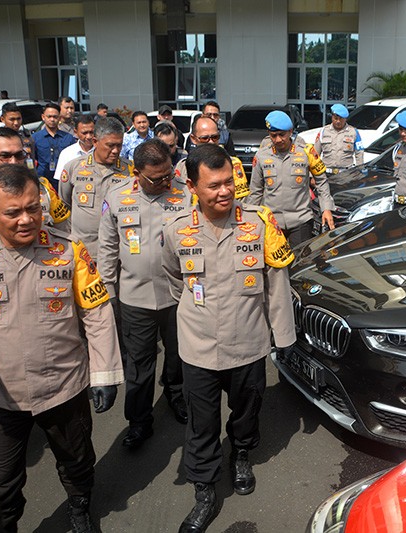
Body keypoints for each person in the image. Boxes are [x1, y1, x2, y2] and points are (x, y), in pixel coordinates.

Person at [0, 163, 123, 533]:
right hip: (2, 394)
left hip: (64, 387)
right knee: (2, 480)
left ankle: (79, 506)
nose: (26, 219)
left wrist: (104, 374)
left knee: (77, 461)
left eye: (33, 208)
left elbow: (98, 314)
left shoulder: (69, 250)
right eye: (13, 212)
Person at [161, 144, 296, 533]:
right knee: (201, 425)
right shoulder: (175, 230)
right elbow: (175, 280)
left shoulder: (260, 223)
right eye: (213, 185)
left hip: (249, 342)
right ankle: (204, 491)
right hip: (198, 347)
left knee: (246, 410)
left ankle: (240, 454)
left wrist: (283, 338)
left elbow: (276, 283)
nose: (224, 192)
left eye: (228, 184)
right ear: (192, 187)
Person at [99, 139, 189, 450]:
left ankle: (176, 395)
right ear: (137, 173)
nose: (166, 181)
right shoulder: (116, 196)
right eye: (157, 177)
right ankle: (139, 421)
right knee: (139, 363)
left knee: (178, 355)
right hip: (134, 297)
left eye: (168, 174)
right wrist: (107, 293)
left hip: (177, 294)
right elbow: (108, 248)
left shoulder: (184, 193)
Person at [0, 127, 71, 239]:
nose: (13, 162)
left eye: (19, 155)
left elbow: (63, 231)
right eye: (5, 156)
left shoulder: (44, 188)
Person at [247, 110, 335, 247]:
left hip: (301, 220)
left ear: (290, 131)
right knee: (274, 266)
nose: (278, 140)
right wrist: (251, 218)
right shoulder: (261, 156)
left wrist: (326, 209)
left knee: (300, 264)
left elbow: (321, 181)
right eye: (273, 135)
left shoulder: (306, 152)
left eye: (282, 135)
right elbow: (256, 190)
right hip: (272, 222)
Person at [59, 117, 132, 262]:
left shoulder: (130, 170)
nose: (115, 151)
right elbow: (64, 204)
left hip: (118, 252)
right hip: (85, 251)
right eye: (110, 145)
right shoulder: (74, 168)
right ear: (95, 142)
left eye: (119, 145)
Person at [177, 115, 249, 202]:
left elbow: (240, 201)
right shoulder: (183, 167)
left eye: (215, 137)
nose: (211, 142)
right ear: (193, 139)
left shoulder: (233, 163)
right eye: (205, 138)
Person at [32, 103, 75, 189]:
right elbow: (33, 158)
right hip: (43, 179)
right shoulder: (35, 138)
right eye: (49, 116)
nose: (52, 119)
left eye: (55, 117)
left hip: (63, 179)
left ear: (59, 118)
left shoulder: (68, 138)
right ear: (43, 117)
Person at [313, 103, 363, 177]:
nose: (338, 121)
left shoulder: (353, 132)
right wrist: (313, 175)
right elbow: (315, 154)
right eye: (336, 118)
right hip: (326, 174)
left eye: (341, 119)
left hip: (346, 174)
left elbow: (359, 154)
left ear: (345, 119)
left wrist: (359, 172)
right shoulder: (323, 131)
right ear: (332, 117)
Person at [53, 114, 95, 185]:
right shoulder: (67, 154)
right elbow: (61, 182)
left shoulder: (102, 151)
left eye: (91, 132)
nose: (88, 136)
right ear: (76, 132)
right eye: (84, 133)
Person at [0, 101, 35, 166]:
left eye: (18, 119)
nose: (16, 123)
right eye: (12, 119)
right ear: (2, 119)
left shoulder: (26, 136)